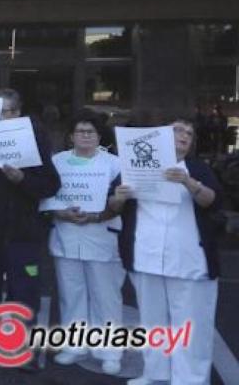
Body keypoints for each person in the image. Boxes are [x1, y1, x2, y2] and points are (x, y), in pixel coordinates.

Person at [110, 117, 223, 385]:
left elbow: (212, 201)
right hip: (146, 255)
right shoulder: (134, 165)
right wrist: (120, 196)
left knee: (192, 325)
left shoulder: (197, 168)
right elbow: (113, 206)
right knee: (152, 321)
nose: (184, 135)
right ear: (160, 136)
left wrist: (188, 182)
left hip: (189, 259)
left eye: (189, 133)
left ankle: (191, 379)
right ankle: (155, 373)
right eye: (178, 130)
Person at [0, 88, 60, 359]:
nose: (2, 117)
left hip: (23, 231)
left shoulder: (34, 140)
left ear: (19, 112)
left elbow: (50, 185)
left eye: (8, 111)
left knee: (24, 290)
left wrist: (21, 179)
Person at [47, 112, 124, 375]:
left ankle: (110, 351)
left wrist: (96, 216)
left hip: (101, 234)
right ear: (70, 136)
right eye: (80, 131)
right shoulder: (57, 162)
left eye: (90, 131)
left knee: (106, 295)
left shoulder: (115, 164)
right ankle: (75, 345)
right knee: (72, 293)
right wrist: (60, 211)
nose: (85, 136)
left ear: (99, 136)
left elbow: (121, 201)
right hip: (66, 233)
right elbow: (46, 195)